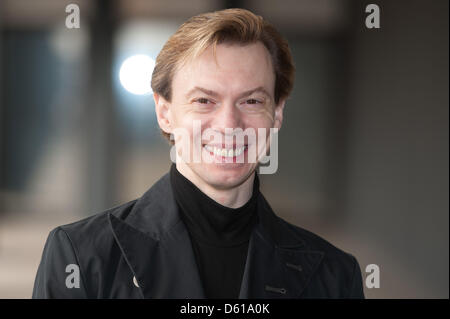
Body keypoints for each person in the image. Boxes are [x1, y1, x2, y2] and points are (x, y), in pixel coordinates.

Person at [32, 8, 365, 299]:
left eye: (251, 101)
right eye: (204, 100)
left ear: (276, 114)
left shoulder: (335, 276)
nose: (229, 124)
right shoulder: (79, 257)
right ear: (164, 113)